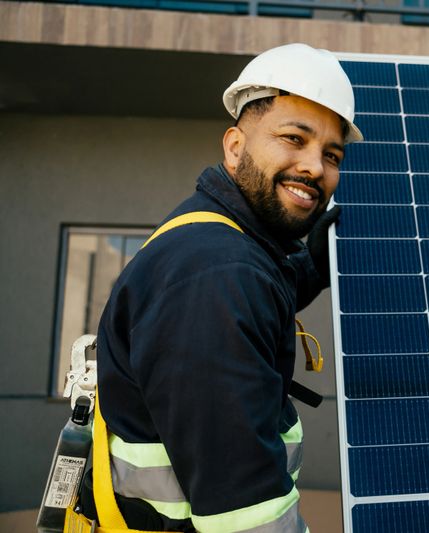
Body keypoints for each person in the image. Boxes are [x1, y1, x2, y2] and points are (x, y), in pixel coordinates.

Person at [79, 43, 362, 532]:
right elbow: (247, 521)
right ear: (235, 147)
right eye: (294, 138)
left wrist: (309, 267)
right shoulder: (217, 273)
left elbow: (241, 315)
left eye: (331, 154)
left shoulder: (216, 243)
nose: (316, 167)